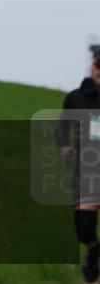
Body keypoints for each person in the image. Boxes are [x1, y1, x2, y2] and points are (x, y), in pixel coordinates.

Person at [56, 44, 100, 283]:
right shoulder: (76, 98)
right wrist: (64, 146)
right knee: (84, 230)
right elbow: (62, 130)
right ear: (94, 67)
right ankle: (94, 250)